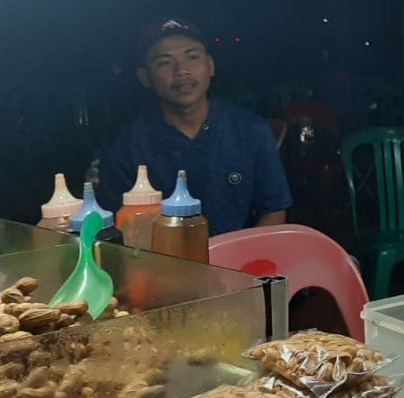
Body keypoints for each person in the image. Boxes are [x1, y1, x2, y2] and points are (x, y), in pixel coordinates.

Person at [97, 17, 292, 235]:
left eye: (192, 57)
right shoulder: (125, 146)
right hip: (163, 264)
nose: (182, 70)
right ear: (145, 78)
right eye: (164, 62)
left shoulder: (250, 130)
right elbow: (115, 224)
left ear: (210, 66)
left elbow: (274, 210)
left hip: (237, 263)